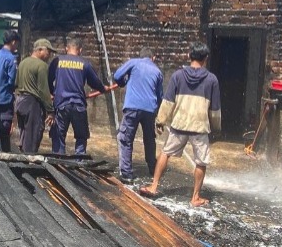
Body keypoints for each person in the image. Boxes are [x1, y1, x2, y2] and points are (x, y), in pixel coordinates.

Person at [139, 43, 221, 208]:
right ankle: (195, 197)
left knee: (165, 153)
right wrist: (216, 127)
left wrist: (160, 120)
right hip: (199, 126)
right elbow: (215, 108)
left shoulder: (178, 76)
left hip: (179, 124)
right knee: (201, 162)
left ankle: (154, 186)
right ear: (206, 58)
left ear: (189, 56)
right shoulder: (212, 79)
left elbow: (168, 101)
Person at [48, 38, 113, 155]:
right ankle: (79, 161)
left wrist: (53, 93)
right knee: (81, 137)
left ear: (66, 48)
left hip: (61, 104)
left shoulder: (57, 61)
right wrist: (103, 89)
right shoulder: (85, 63)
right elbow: (95, 82)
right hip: (78, 105)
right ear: (80, 50)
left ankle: (58, 162)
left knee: (58, 136)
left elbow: (48, 80)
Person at [113, 47, 163, 184]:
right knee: (149, 139)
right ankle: (153, 168)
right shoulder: (157, 71)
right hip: (149, 110)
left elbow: (117, 76)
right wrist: (159, 115)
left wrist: (123, 82)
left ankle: (127, 173)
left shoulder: (134, 63)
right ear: (152, 58)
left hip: (133, 107)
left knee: (126, 139)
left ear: (141, 56)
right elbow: (160, 96)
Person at [16, 38, 57, 153]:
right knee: (33, 134)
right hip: (32, 104)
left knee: (23, 134)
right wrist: (50, 110)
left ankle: (22, 158)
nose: (49, 55)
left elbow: (16, 83)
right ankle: (29, 163)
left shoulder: (23, 62)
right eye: (48, 51)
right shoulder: (42, 66)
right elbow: (43, 90)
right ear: (39, 50)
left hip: (20, 101)